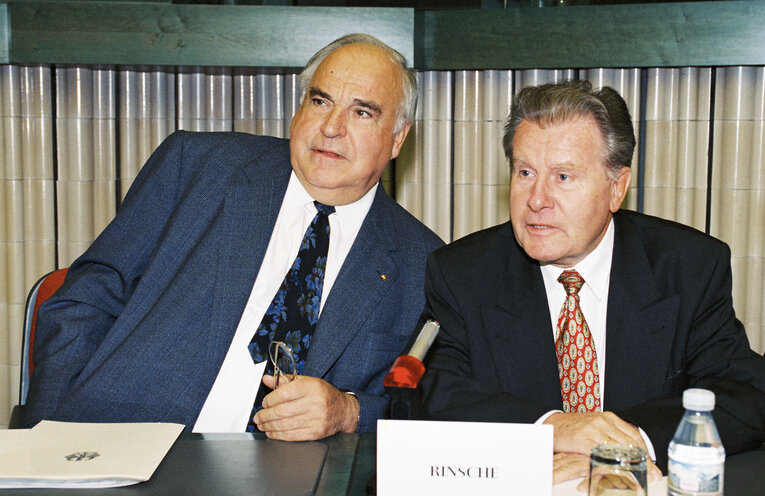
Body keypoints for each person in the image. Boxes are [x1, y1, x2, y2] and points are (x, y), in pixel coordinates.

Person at [23, 33, 444, 441]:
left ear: (398, 138)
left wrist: (349, 412)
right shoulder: (198, 169)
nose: (331, 127)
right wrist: (47, 440)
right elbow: (86, 301)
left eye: (362, 112)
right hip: (123, 442)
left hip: (287, 476)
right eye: (320, 101)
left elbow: (430, 406)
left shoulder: (424, 263)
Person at [410, 80, 765, 486]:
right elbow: (432, 391)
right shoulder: (462, 273)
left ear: (617, 188)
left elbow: (744, 393)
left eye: (563, 176)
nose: (536, 199)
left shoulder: (687, 268)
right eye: (525, 172)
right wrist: (554, 428)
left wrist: (623, 448)